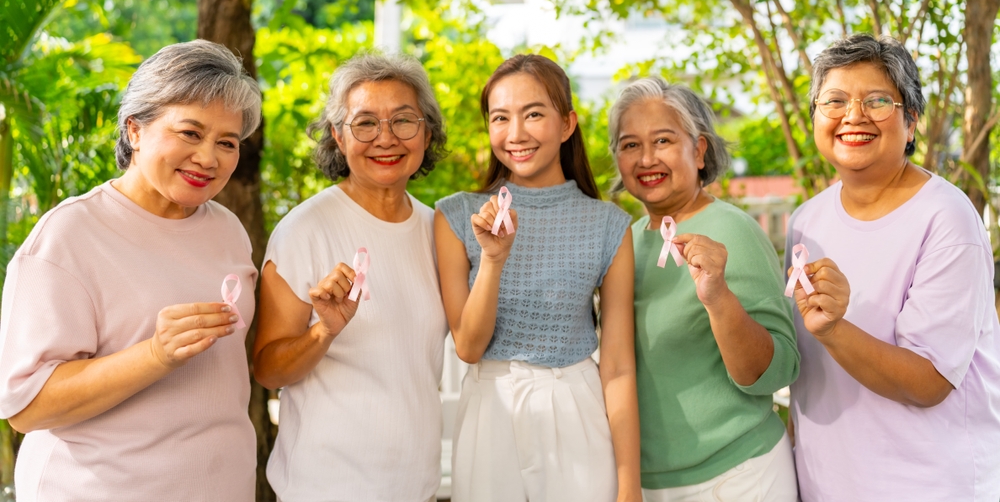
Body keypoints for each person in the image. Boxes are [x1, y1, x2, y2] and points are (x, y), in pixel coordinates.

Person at [0, 40, 262, 502]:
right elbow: (27, 408)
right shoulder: (70, 235)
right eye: (189, 133)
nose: (208, 157)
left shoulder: (228, 230)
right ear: (135, 130)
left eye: (227, 142)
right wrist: (156, 354)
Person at [787, 34, 1000, 502]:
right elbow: (804, 367)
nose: (853, 116)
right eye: (835, 101)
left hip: (926, 485)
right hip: (826, 483)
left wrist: (834, 328)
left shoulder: (946, 217)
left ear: (911, 122)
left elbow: (929, 382)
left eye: (877, 100)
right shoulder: (807, 220)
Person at [435, 54, 641, 502]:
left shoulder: (609, 224)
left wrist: (629, 486)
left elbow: (620, 367)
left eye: (533, 114)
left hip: (577, 408)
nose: (516, 134)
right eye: (500, 118)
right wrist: (493, 259)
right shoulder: (455, 216)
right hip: (490, 412)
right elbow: (468, 347)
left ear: (567, 124)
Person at [253, 52, 449, 502]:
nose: (386, 138)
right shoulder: (304, 229)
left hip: (414, 487)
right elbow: (267, 369)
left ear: (426, 133)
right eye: (365, 123)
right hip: (325, 487)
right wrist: (324, 331)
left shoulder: (436, 231)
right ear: (338, 137)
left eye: (403, 120)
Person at [608, 77, 799, 502]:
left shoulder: (733, 230)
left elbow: (777, 370)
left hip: (737, 477)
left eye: (662, 140)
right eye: (630, 144)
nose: (646, 158)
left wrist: (718, 298)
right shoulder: (625, 241)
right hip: (646, 485)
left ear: (699, 150)